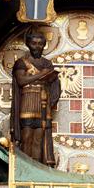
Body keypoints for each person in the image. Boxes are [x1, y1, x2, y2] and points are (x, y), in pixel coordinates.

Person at [10, 31, 60, 165]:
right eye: (34, 43)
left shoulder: (47, 64)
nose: (37, 46)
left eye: (40, 44)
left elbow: (54, 83)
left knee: (39, 137)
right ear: (28, 44)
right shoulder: (21, 63)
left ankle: (37, 166)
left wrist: (52, 99)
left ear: (44, 45)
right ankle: (26, 165)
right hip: (28, 101)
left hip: (43, 101)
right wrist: (41, 75)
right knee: (26, 135)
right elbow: (21, 81)